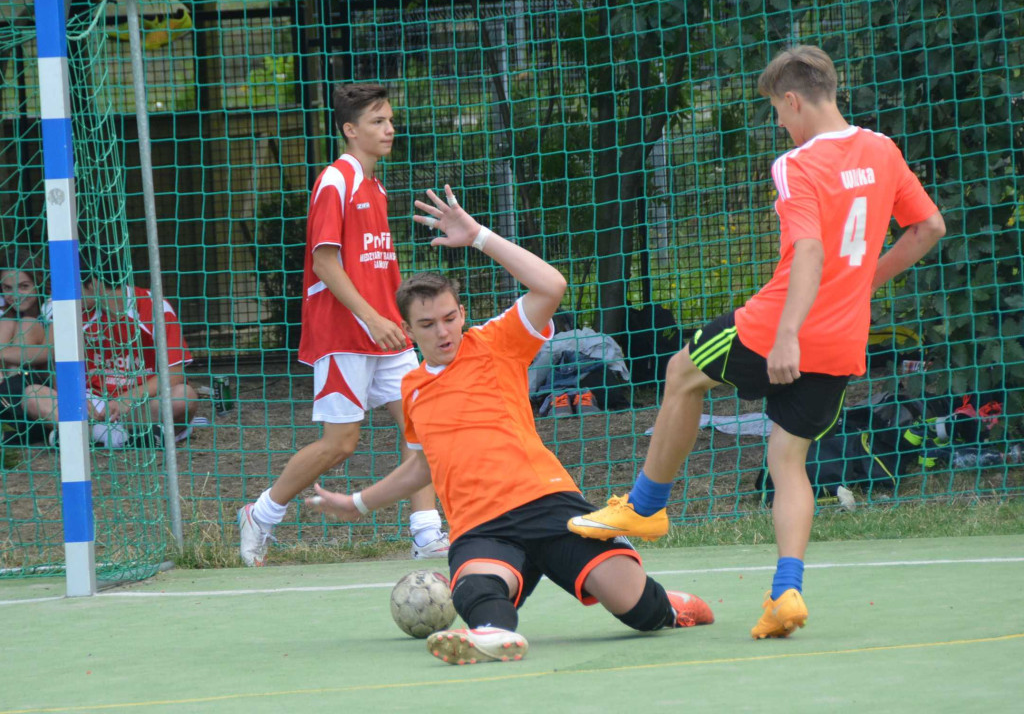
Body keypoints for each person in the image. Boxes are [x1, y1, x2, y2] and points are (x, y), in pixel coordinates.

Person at [568, 45, 946, 640]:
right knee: (786, 459)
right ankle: (785, 593)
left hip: (776, 327)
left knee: (681, 371)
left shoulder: (797, 165)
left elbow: (813, 252)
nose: (777, 123)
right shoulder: (882, 150)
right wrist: (866, 280)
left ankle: (643, 507)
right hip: (846, 337)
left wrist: (789, 333)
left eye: (776, 110)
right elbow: (929, 228)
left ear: (793, 99)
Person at [309, 185, 714, 665]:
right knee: (478, 590)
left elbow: (551, 286)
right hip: (481, 526)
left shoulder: (495, 343)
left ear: (462, 314)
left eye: (449, 317)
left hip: (547, 503)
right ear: (408, 330)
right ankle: (493, 635)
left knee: (640, 613)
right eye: (427, 324)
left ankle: (668, 605)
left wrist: (478, 235)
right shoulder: (413, 388)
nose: (442, 332)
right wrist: (358, 504)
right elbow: (422, 468)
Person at [238, 83, 447, 566]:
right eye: (378, 121)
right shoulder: (336, 181)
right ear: (350, 130)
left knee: (425, 427)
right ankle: (261, 513)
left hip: (387, 335)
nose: (389, 128)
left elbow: (375, 268)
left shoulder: (375, 186)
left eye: (390, 119)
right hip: (344, 334)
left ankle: (426, 532)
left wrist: (393, 320)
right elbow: (326, 263)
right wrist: (372, 318)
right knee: (341, 444)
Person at [23, 251, 200, 448]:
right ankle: (120, 437)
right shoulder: (76, 311)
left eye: (74, 287)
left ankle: (92, 435)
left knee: (184, 396)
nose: (69, 294)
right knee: (33, 395)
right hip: (94, 404)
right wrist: (76, 397)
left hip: (140, 404)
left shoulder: (153, 306)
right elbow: (59, 365)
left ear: (94, 284)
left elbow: (174, 373)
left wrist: (127, 399)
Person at [0, 251, 50, 445]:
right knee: (7, 322)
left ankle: (14, 425)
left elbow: (51, 351)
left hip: (42, 388)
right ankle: (10, 424)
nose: (15, 295)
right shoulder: (6, 315)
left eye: (24, 287)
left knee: (26, 322)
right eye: (7, 288)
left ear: (38, 282)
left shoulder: (53, 307)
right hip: (11, 389)